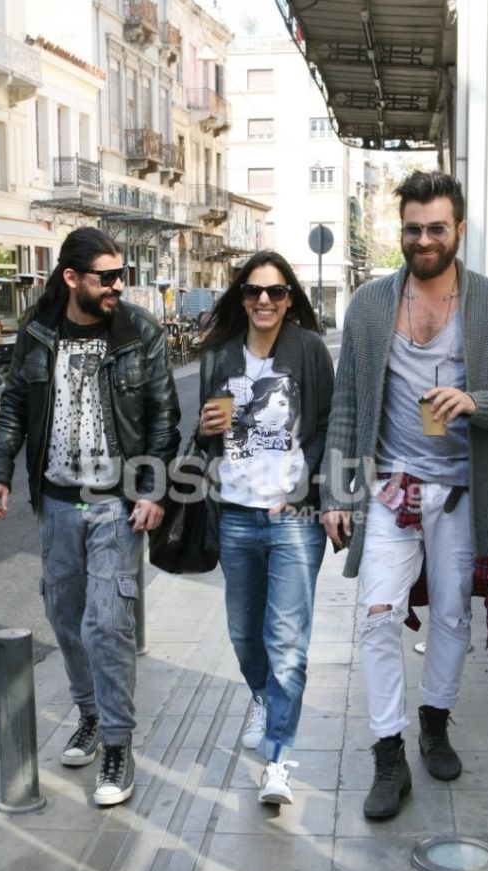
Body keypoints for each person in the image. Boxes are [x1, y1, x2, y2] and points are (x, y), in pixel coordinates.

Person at [321, 171, 488, 820]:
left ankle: (435, 719)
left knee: (452, 616)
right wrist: (336, 489)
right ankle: (387, 752)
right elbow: (347, 401)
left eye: (436, 229)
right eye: (413, 229)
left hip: (462, 495)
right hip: (390, 493)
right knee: (377, 616)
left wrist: (476, 402)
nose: (424, 240)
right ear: (402, 231)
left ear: (459, 230)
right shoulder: (370, 305)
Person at [0, 227, 180, 807]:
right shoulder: (38, 331)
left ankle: (118, 743)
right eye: (107, 276)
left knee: (107, 623)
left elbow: (163, 417)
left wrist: (153, 490)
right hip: (59, 501)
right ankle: (90, 715)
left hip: (116, 501)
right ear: (72, 278)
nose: (119, 285)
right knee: (65, 616)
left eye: (122, 275)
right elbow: (15, 406)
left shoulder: (139, 331)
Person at [198, 251, 334, 805]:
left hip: (294, 517)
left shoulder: (308, 350)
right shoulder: (220, 354)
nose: (264, 300)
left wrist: (306, 488)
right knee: (242, 633)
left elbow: (327, 424)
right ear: (242, 297)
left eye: (275, 292)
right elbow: (209, 436)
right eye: (254, 290)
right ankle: (262, 695)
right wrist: (206, 428)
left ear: (289, 298)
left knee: (287, 642)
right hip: (235, 513)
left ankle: (278, 758)